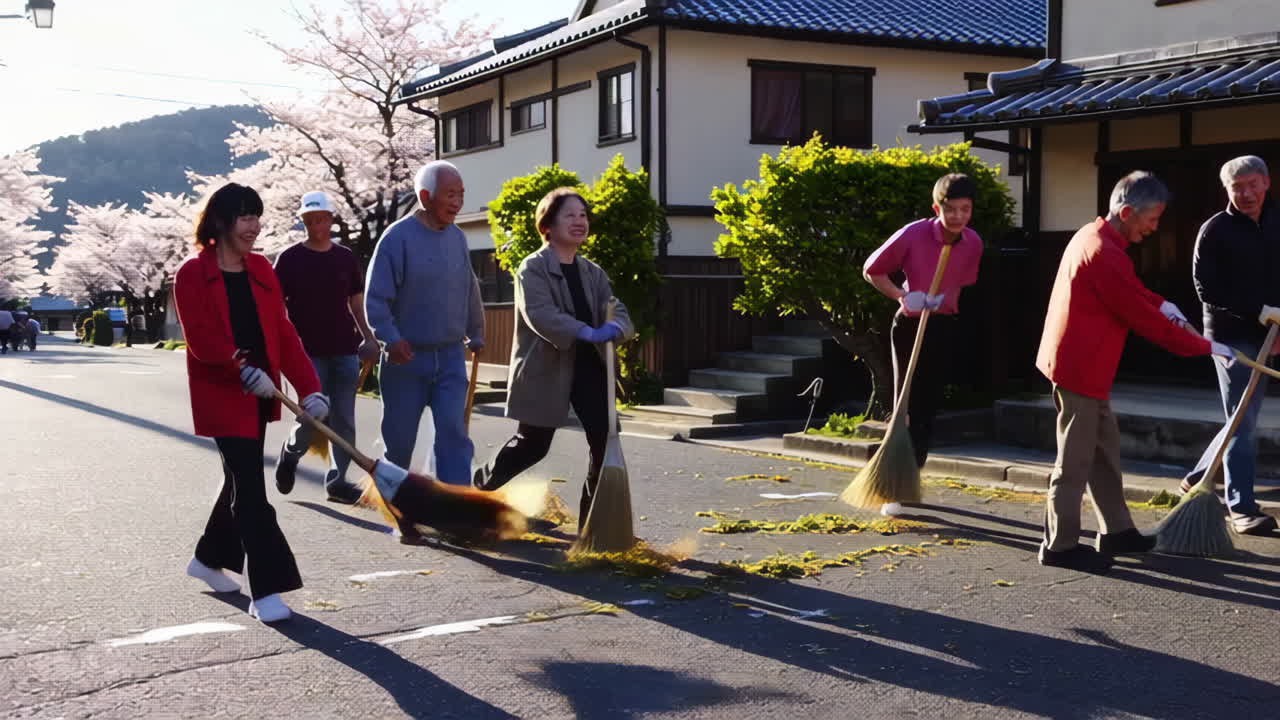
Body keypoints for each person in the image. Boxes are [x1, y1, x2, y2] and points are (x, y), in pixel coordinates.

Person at [1036, 171, 1232, 573]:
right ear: (1127, 212)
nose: (1155, 228)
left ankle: (1117, 531)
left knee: (1104, 451)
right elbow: (1142, 318)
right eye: (1153, 219)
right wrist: (1205, 346)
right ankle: (1059, 545)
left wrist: (1163, 303)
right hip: (1079, 368)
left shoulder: (1097, 238)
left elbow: (1137, 295)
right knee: (1073, 463)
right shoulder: (1103, 252)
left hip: (1088, 364)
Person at [173, 182, 329, 623]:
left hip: (264, 393)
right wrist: (238, 368)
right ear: (220, 221)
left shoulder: (261, 268)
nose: (254, 226)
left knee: (237, 481)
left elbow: (283, 332)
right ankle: (267, 590)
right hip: (223, 394)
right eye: (245, 217)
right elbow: (202, 339)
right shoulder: (191, 273)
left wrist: (309, 388)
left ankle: (207, 557)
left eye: (257, 217)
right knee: (251, 489)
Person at [471, 188, 633, 530]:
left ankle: (594, 529)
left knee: (605, 444)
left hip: (591, 368)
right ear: (547, 224)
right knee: (532, 446)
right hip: (546, 369)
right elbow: (540, 314)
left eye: (583, 215)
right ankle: (478, 488)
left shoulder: (593, 272)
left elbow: (616, 308)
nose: (579, 222)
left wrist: (616, 326)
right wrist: (585, 331)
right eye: (570, 215)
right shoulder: (533, 268)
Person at [365, 161, 484, 486]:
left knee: (454, 435)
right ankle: (398, 510)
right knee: (400, 444)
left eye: (461, 194)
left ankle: (456, 511)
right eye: (450, 194)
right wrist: (389, 337)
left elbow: (468, 286)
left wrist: (476, 331)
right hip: (406, 359)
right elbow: (376, 298)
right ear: (425, 196)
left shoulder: (458, 238)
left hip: (449, 357)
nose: (458, 202)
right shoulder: (396, 238)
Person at [1182, 156, 1280, 536]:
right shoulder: (1215, 230)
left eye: (1253, 183)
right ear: (1227, 190)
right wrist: (1260, 312)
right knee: (1244, 420)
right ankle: (1242, 508)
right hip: (1229, 337)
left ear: (1267, 183)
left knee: (1243, 415)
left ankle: (1197, 476)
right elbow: (1207, 288)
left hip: (1271, 330)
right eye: (1237, 187)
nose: (1246, 193)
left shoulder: (1276, 221)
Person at [863, 173, 984, 468]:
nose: (958, 216)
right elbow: (872, 270)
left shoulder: (973, 243)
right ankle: (888, 471)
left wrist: (943, 301)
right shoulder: (913, 234)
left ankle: (911, 474)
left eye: (965, 209)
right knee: (903, 403)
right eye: (950, 209)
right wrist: (902, 296)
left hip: (942, 325)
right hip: (909, 325)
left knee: (927, 406)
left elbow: (963, 281)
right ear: (936, 209)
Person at [273, 190, 380, 504]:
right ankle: (291, 454)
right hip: (305, 353)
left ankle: (337, 481)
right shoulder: (290, 259)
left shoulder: (345, 257)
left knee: (345, 418)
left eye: (321, 217)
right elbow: (276, 307)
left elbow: (356, 303)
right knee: (312, 416)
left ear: (331, 220)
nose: (315, 224)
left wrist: (368, 337)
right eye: (309, 219)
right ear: (303, 221)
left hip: (345, 349)